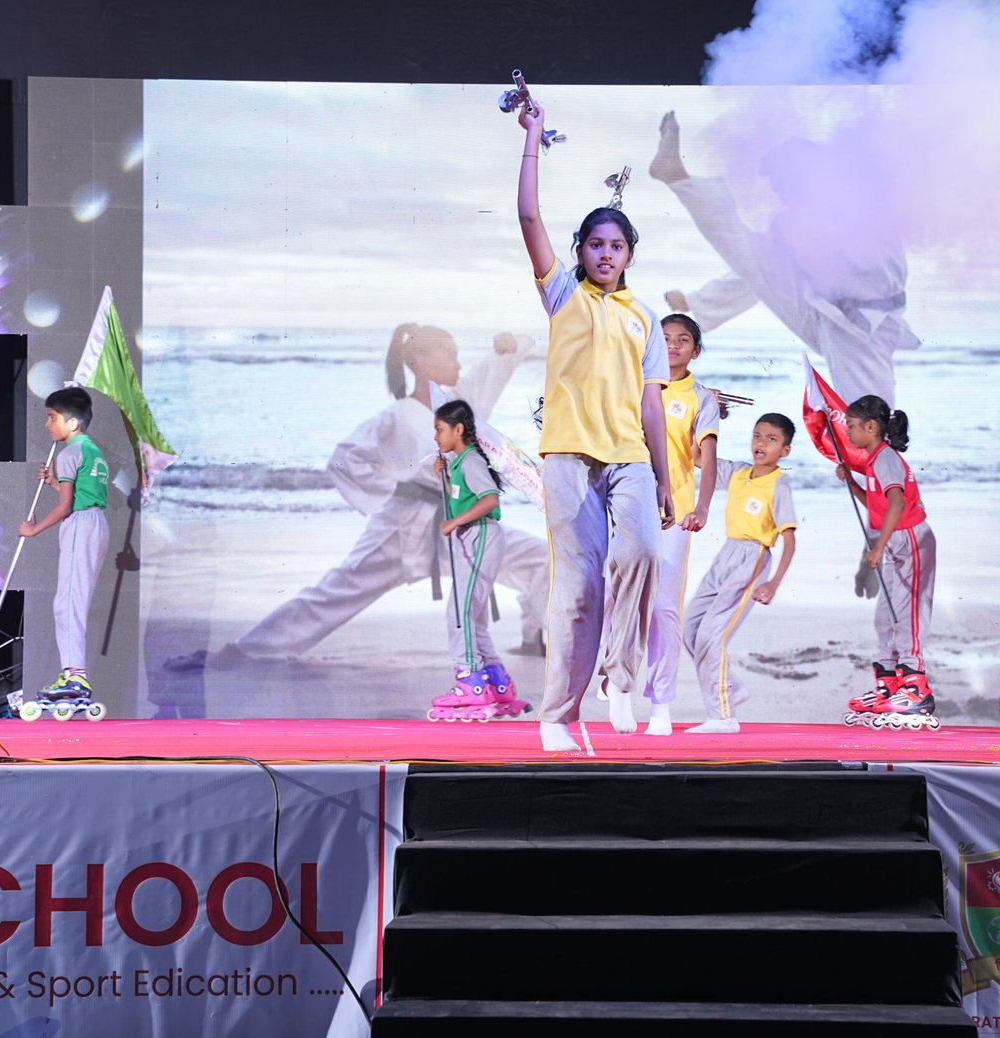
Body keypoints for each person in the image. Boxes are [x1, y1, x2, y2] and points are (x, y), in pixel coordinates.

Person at [166, 325, 547, 671]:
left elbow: (491, 373)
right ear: (420, 360)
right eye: (448, 353)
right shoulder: (396, 416)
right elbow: (346, 459)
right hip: (403, 527)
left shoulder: (459, 406)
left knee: (539, 558)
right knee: (338, 591)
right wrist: (394, 489)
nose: (458, 362)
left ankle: (536, 635)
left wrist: (505, 349)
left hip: (459, 523)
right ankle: (245, 651)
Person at [516, 96, 674, 753]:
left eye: (617, 245)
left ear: (630, 254)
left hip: (631, 457)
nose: (606, 253)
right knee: (578, 587)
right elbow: (529, 216)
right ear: (581, 250)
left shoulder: (645, 319)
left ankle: (619, 675)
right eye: (596, 244)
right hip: (569, 459)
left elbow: (652, 406)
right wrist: (531, 136)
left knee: (642, 554)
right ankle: (557, 714)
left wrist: (666, 479)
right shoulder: (563, 295)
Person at [648, 111, 918, 407]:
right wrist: (696, 301)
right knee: (755, 255)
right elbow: (757, 271)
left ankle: (677, 178)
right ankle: (677, 178)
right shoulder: (804, 220)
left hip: (860, 329)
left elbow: (867, 268)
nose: (780, 194)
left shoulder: (852, 210)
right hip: (827, 314)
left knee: (870, 416)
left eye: (783, 185)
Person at [598, 313, 720, 735]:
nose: (672, 345)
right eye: (664, 338)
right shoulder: (632, 385)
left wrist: (702, 508)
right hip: (627, 507)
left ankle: (660, 705)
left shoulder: (701, 398)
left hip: (676, 514)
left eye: (683, 340)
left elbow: (707, 459)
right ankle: (612, 672)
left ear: (695, 351)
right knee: (613, 595)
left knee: (665, 608)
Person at [681, 413, 798, 735]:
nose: (761, 443)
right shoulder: (738, 473)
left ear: (785, 450)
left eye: (771, 439)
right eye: (757, 436)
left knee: (712, 636)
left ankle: (723, 716)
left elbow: (789, 540)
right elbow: (696, 457)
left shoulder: (779, 486)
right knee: (691, 629)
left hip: (753, 559)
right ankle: (730, 688)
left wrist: (773, 583)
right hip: (726, 555)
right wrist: (704, 415)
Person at [836, 395, 938, 726]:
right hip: (894, 541)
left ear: (871, 427)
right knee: (886, 615)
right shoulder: (873, 461)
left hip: (911, 540)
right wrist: (852, 483)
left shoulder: (886, 458)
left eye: (851, 426)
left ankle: (915, 687)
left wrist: (878, 547)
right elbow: (877, 504)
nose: (847, 432)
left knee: (908, 613)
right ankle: (889, 683)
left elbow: (897, 502)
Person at [427, 400, 530, 721]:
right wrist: (445, 478)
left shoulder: (471, 461)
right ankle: (496, 683)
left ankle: (469, 681)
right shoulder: (460, 463)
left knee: (460, 612)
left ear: (458, 429)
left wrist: (454, 523)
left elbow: (490, 500)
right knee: (471, 615)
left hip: (480, 534)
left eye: (439, 430)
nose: (436, 437)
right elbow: (462, 498)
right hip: (472, 537)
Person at [20, 386, 110, 704]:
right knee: (71, 600)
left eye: (52, 418)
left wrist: (33, 530)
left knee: (68, 602)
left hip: (80, 526)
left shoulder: (69, 453)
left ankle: (75, 677)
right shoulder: (91, 450)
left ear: (72, 423)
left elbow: (65, 507)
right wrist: (54, 482)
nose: (48, 424)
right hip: (94, 523)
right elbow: (79, 494)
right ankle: (72, 672)